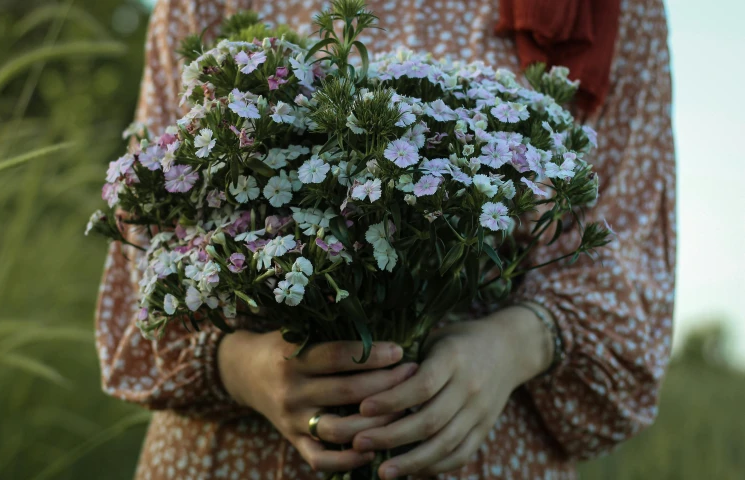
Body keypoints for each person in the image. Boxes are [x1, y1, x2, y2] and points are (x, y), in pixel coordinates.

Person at [95, 0, 676, 478]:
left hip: (479, 450)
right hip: (234, 450)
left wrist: (514, 346)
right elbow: (149, 240)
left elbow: (625, 258)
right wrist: (244, 368)